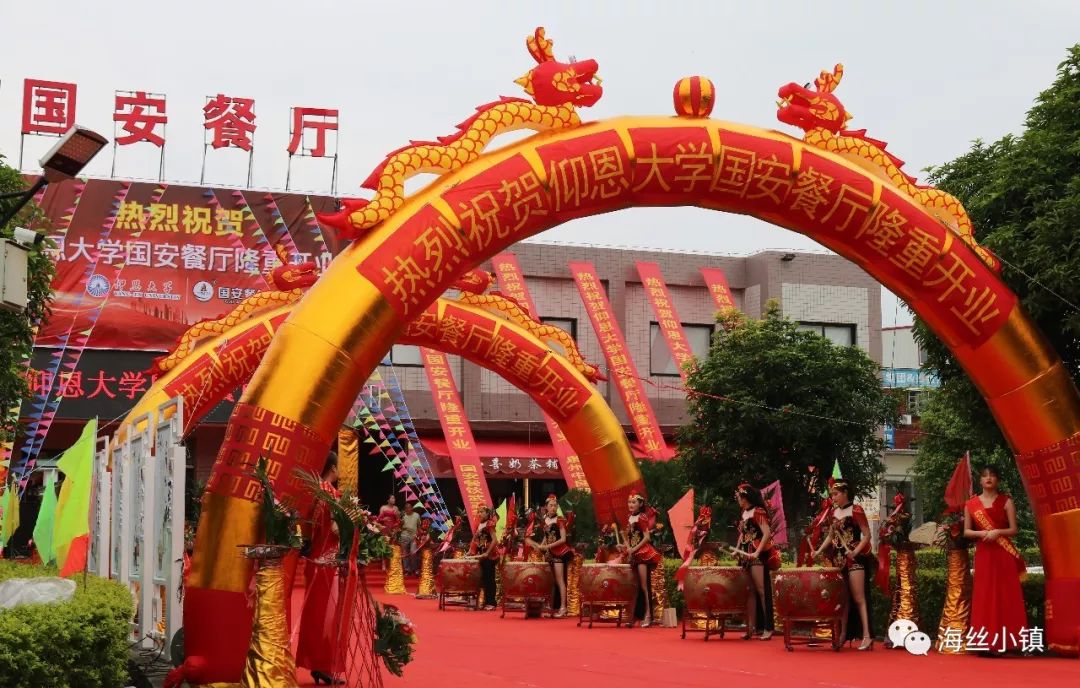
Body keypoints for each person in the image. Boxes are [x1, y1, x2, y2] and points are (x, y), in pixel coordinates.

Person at [963, 465, 1027, 656]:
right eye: (985, 476)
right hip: (984, 553)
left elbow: (1013, 529)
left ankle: (1010, 643)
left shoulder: (1006, 502)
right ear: (980, 481)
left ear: (997, 479)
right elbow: (967, 531)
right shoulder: (971, 504)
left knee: (1007, 595)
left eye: (992, 475)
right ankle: (985, 643)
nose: (988, 478)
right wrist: (982, 533)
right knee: (984, 595)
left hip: (1003, 553)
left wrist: (997, 532)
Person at [296, 452, 346, 685]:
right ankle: (324, 666)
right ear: (333, 468)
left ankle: (317, 663)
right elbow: (335, 530)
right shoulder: (331, 495)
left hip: (315, 560)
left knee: (315, 614)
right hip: (329, 562)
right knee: (329, 615)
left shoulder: (315, 493)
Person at [813, 479, 874, 650]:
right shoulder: (833, 513)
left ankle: (867, 635)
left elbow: (867, 535)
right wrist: (818, 550)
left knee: (859, 598)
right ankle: (843, 635)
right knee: (843, 599)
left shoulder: (856, 510)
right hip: (838, 559)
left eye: (836, 494)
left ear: (845, 493)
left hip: (854, 557)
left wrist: (855, 551)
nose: (833, 497)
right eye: (832, 495)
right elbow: (830, 536)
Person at [730, 483, 780, 640]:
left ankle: (768, 627)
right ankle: (751, 627)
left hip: (757, 554)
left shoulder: (758, 512)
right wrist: (736, 549)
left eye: (739, 497)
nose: (738, 499)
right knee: (750, 591)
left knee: (761, 590)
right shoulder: (744, 513)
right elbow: (742, 534)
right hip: (746, 555)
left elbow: (767, 533)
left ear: (745, 498)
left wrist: (758, 552)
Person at [526, 495, 573, 617]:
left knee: (560, 580)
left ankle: (563, 608)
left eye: (555, 505)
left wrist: (548, 546)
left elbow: (563, 539)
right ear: (546, 507)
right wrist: (541, 546)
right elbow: (546, 536)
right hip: (550, 553)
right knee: (552, 581)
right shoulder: (545, 519)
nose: (553, 507)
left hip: (560, 552)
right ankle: (552, 607)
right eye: (551, 505)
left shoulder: (560, 520)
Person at [620, 493, 661, 628]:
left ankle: (648, 615)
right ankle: (634, 616)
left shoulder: (642, 517)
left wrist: (633, 549)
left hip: (643, 553)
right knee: (635, 586)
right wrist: (625, 546)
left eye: (634, 502)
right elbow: (630, 538)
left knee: (644, 586)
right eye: (629, 502)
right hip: (634, 554)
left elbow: (647, 537)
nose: (631, 504)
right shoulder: (629, 517)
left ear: (641, 504)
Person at [470, 506, 499, 610]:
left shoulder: (490, 524)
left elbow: (495, 540)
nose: (479, 514)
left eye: (482, 512)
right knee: (483, 579)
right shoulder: (479, 524)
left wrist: (487, 552)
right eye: (478, 512)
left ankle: (492, 603)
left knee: (489, 579)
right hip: (482, 555)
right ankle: (485, 602)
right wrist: (471, 551)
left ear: (487, 513)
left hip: (490, 556)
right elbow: (475, 540)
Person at [399, 502, 421, 576]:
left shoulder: (416, 515)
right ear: (405, 509)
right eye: (406, 508)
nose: (408, 509)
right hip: (404, 536)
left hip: (414, 537)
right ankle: (407, 570)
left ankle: (415, 569)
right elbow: (399, 526)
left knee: (413, 552)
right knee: (405, 554)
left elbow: (419, 526)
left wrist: (420, 535)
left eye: (409, 507)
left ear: (412, 508)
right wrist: (400, 523)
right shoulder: (403, 516)